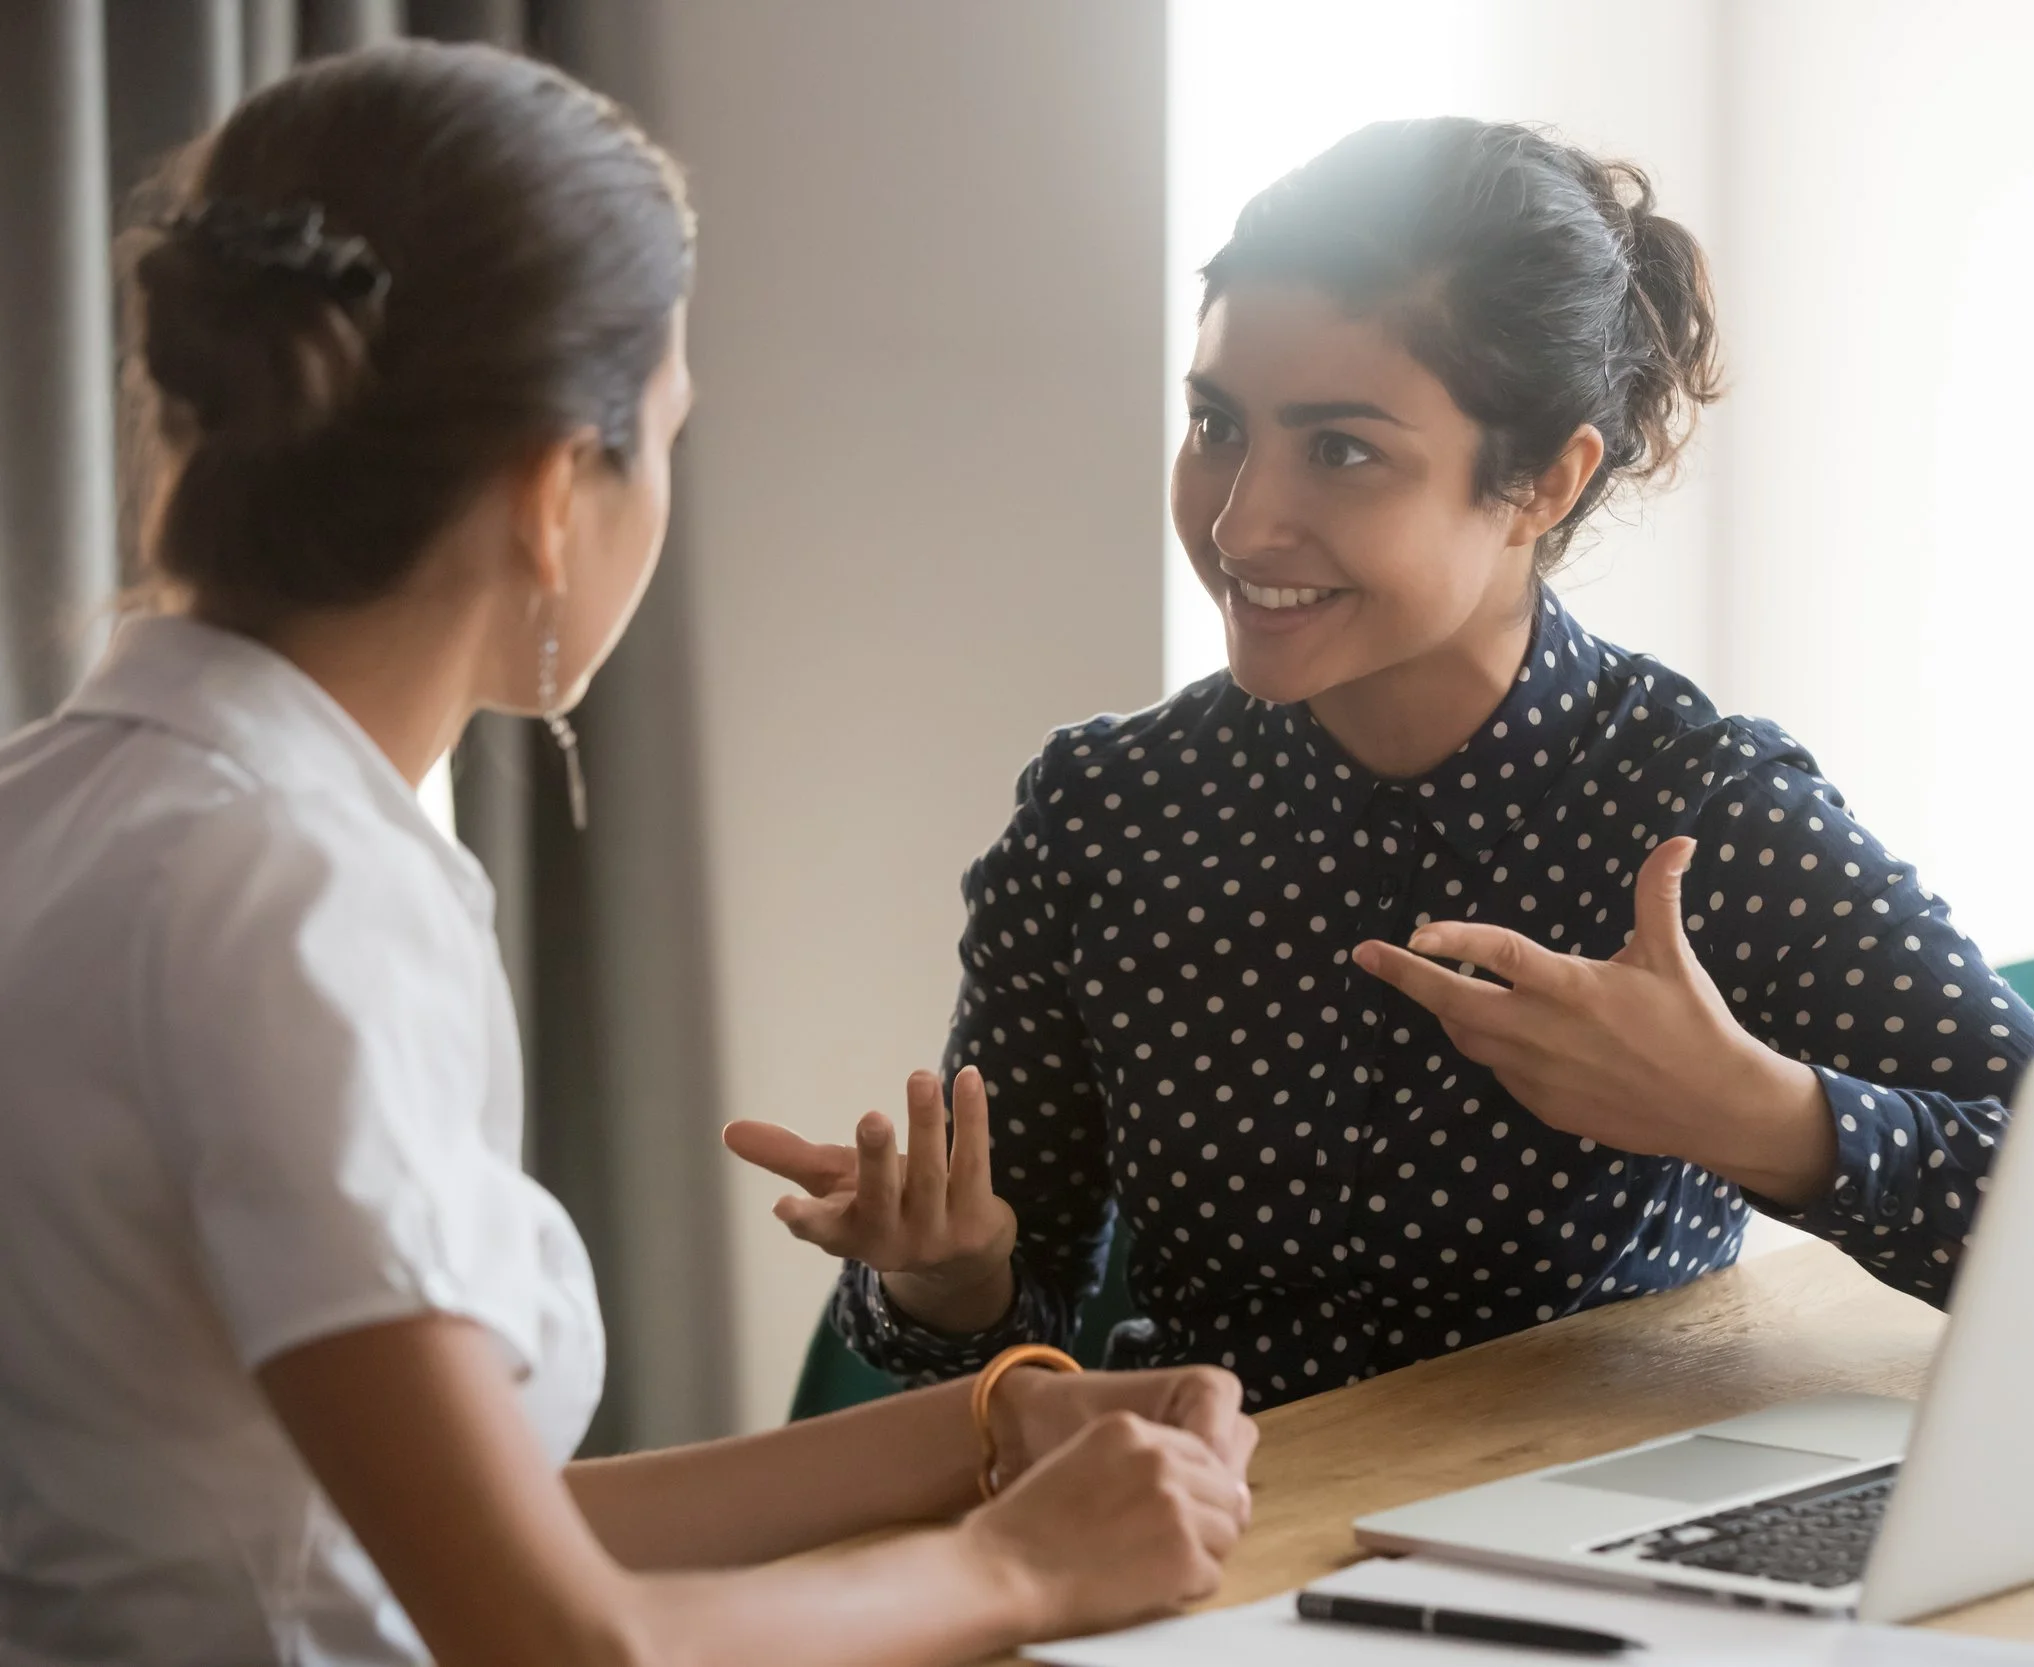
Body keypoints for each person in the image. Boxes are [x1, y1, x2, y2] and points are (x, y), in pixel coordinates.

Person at [0, 42, 1255, 1667]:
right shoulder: (294, 898)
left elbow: (417, 1533)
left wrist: (1003, 1422)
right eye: (660, 437)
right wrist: (1020, 1573)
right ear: (548, 492)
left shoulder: (66, 807)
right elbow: (549, 1636)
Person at [729, 119, 2034, 1410]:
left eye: (1343, 449)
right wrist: (953, 1282)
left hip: (1589, 1567)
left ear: (1542, 480)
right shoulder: (1106, 816)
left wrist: (1758, 1115)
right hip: (1210, 1548)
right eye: (1217, 424)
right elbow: (1014, 1344)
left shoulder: (1705, 817)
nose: (1242, 521)